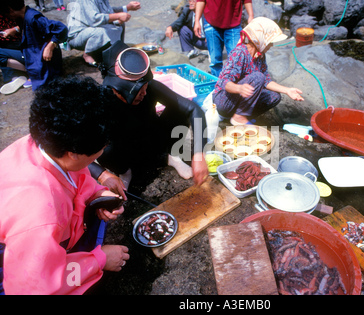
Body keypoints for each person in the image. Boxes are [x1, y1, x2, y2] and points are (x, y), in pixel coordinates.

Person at [0, 76, 129, 295]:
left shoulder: (44, 143)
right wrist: (99, 259)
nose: (104, 148)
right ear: (74, 153)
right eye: (103, 145)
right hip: (16, 270)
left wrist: (98, 194)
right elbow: (34, 287)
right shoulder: (40, 213)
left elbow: (76, 176)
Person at [89, 41, 209, 198]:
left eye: (146, 86)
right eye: (139, 90)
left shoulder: (149, 88)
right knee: (105, 149)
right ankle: (125, 173)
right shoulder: (100, 101)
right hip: (122, 150)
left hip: (150, 136)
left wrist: (198, 154)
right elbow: (70, 152)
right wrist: (102, 174)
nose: (144, 93)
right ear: (119, 89)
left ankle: (169, 156)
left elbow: (194, 109)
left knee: (179, 110)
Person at [212, 17, 303, 125]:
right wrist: (239, 88)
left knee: (274, 97)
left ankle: (241, 116)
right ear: (260, 39)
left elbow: (266, 81)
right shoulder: (239, 53)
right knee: (258, 76)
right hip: (224, 101)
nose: (271, 45)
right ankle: (239, 117)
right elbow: (224, 82)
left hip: (239, 101)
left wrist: (287, 90)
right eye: (270, 42)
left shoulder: (260, 56)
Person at [0, 0, 68, 91]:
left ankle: (34, 73)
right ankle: (31, 72)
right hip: (33, 53)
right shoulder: (23, 17)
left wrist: (50, 46)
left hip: (40, 57)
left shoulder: (33, 18)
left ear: (11, 10)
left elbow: (61, 28)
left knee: (41, 90)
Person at [67, 0, 141, 66]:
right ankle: (88, 54)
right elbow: (94, 19)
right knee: (100, 32)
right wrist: (118, 16)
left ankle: (119, 49)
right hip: (78, 35)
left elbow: (108, 11)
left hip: (90, 27)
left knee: (119, 25)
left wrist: (127, 7)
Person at [194, 0, 254, 77]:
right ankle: (218, 85)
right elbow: (201, 0)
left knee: (236, 59)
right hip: (211, 21)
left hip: (233, 23)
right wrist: (197, 21)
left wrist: (251, 15)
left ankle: (234, 85)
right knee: (215, 61)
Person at [0, 14, 29, 94]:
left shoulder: (11, 11)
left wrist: (14, 29)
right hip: (5, 46)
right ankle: (16, 78)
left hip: (18, 44)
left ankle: (31, 71)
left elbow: (27, 24)